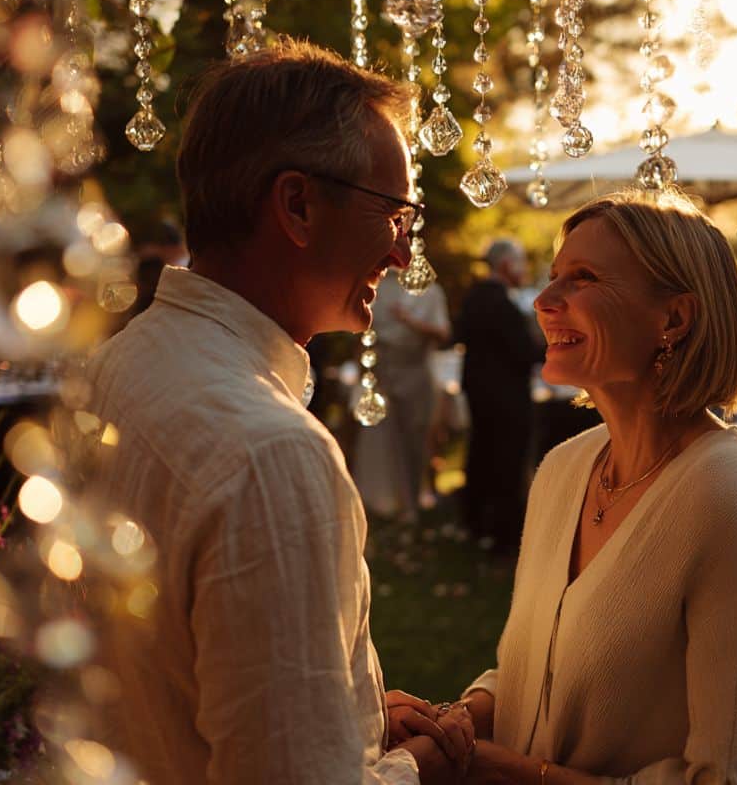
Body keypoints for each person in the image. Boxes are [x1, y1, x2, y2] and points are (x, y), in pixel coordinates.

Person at [82, 40, 472, 784]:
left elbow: (173, 678)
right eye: (393, 214)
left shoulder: (117, 368)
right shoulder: (271, 454)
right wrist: (420, 762)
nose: (401, 254)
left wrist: (350, 714)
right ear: (297, 205)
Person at [452, 190, 737, 783]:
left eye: (583, 278)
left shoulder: (733, 497)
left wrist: (500, 770)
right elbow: (540, 671)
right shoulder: (562, 471)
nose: (544, 302)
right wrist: (458, 721)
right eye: (552, 277)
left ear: (673, 319)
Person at [454, 239, 544, 552]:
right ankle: (505, 535)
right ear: (506, 265)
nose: (524, 270)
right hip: (507, 397)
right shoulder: (503, 304)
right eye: (521, 262)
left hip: (479, 394)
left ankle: (476, 523)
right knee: (508, 461)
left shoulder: (473, 297)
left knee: (481, 454)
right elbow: (524, 352)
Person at [351, 270, 451, 521]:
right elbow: (363, 337)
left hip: (416, 374)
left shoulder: (430, 291)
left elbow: (443, 333)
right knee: (385, 438)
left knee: (416, 437)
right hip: (384, 374)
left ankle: (413, 502)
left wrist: (409, 321)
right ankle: (388, 501)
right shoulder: (376, 287)